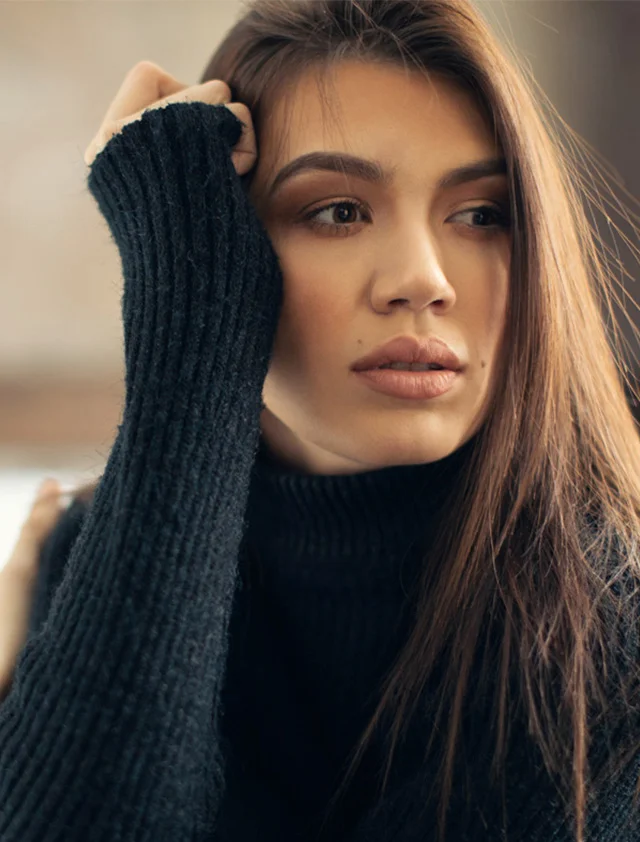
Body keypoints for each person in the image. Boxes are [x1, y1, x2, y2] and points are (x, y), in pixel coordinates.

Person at [2, 1, 640, 840]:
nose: (422, 279)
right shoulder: (95, 559)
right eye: (337, 211)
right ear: (227, 241)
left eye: (483, 214)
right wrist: (186, 314)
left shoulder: (613, 602)